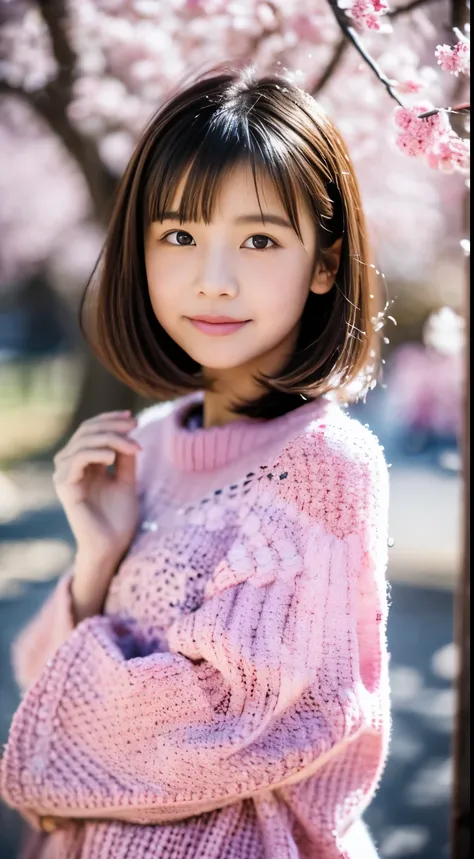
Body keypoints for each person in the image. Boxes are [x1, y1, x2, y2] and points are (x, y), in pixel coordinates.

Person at [1, 68, 390, 859]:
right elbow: (34, 669)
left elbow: (229, 720)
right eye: (178, 235)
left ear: (324, 262)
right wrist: (97, 558)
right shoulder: (145, 443)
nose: (214, 280)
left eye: (258, 239)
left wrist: (61, 757)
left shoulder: (320, 461)